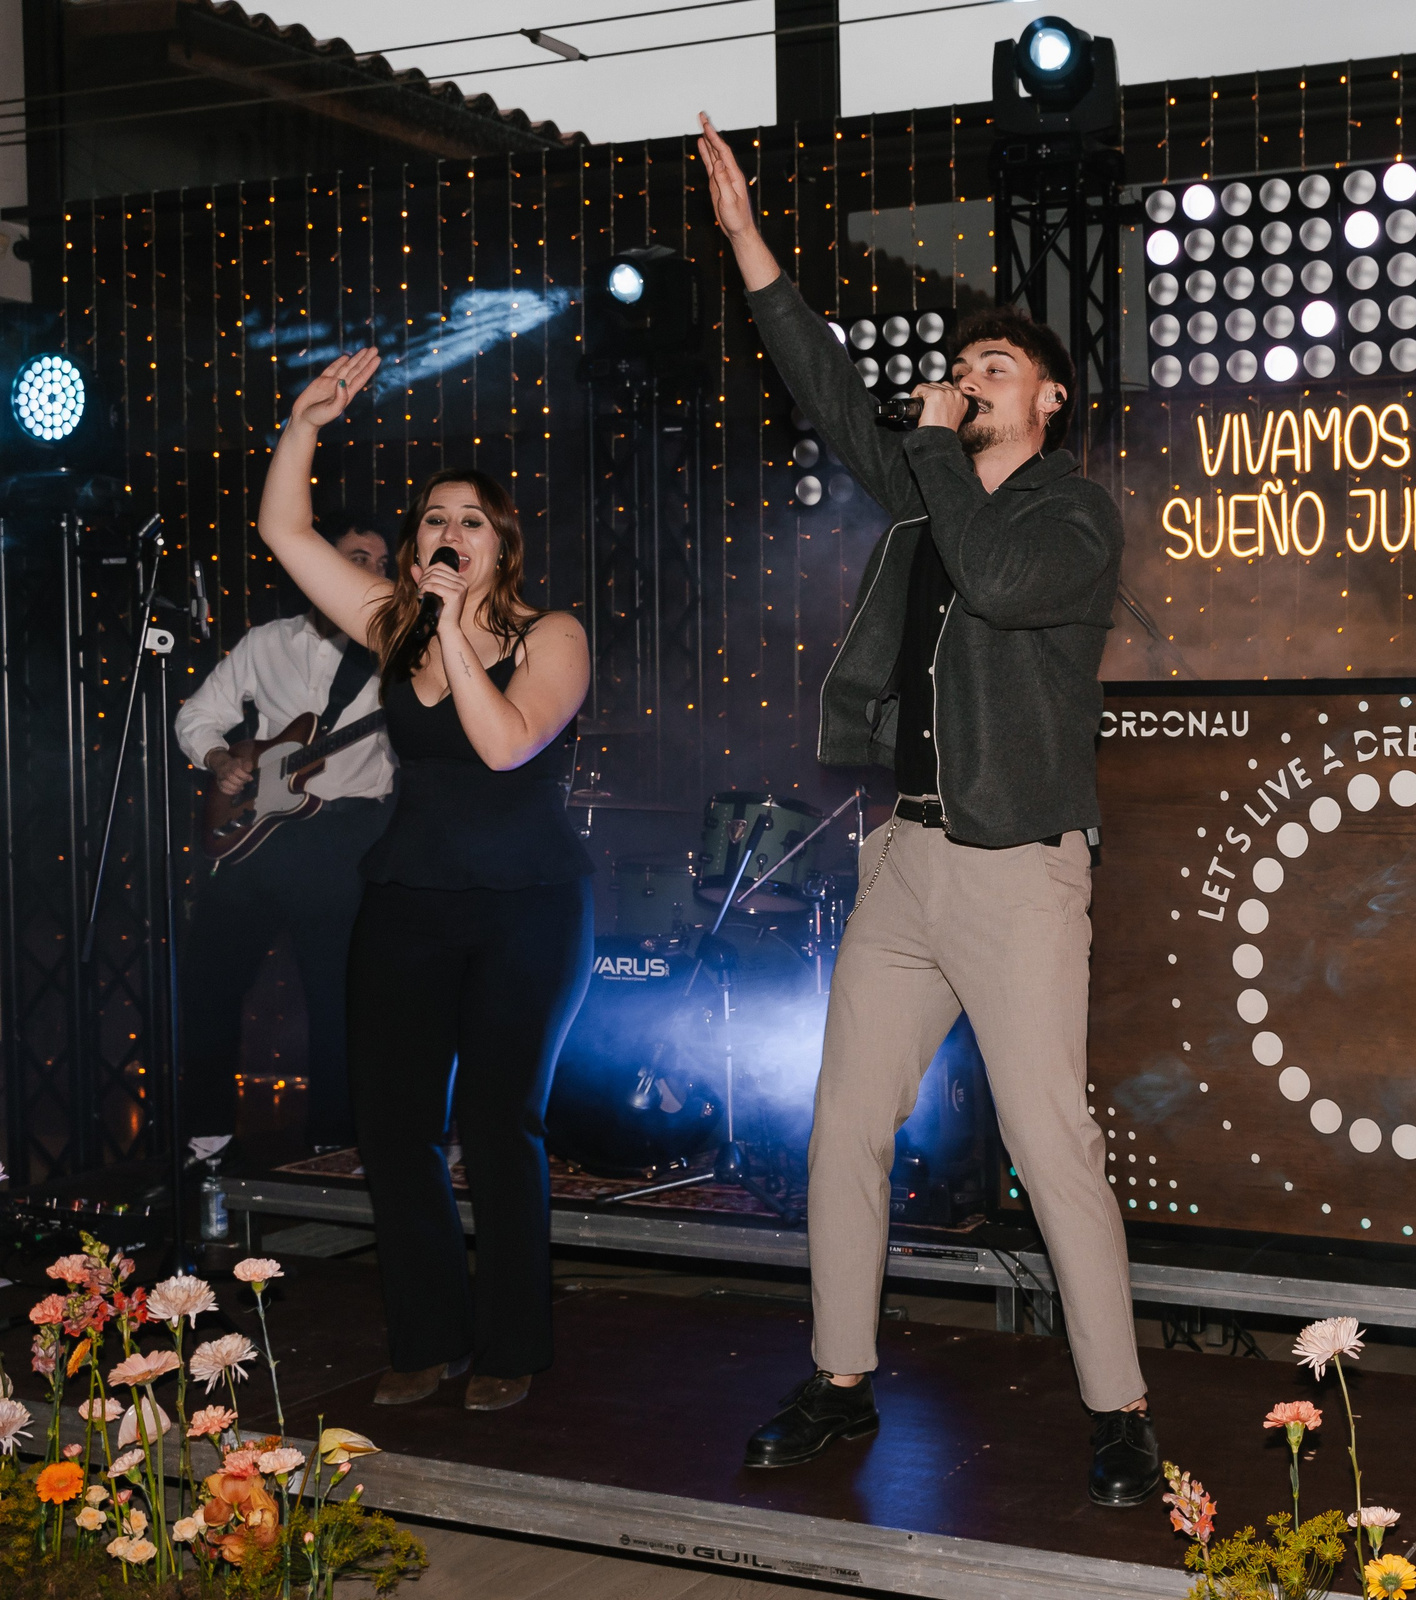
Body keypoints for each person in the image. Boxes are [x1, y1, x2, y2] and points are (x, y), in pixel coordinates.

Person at [696, 114, 1156, 1505]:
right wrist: (750, 247)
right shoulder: (925, 488)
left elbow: (1000, 583)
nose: (962, 381)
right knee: (845, 1121)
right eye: (958, 369)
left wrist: (942, 452)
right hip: (905, 856)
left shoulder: (1073, 517)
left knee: (1050, 1141)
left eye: (991, 368)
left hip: (1017, 870)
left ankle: (1120, 1409)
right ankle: (839, 1379)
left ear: (1051, 398)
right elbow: (831, 389)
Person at [257, 349, 594, 1414]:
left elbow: (503, 745)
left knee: (499, 1125)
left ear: (502, 544)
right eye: (435, 519)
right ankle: (425, 1335)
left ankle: (509, 1346)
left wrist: (452, 628)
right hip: (408, 899)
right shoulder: (393, 623)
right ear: (416, 547)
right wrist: (304, 426)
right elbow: (285, 532)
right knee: (394, 1127)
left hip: (527, 908)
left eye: (472, 520)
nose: (450, 530)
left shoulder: (552, 635)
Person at [176, 514, 396, 1155]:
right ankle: (205, 1140)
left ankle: (333, 1148)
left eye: (383, 565)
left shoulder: (402, 650)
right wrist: (222, 759)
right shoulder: (267, 641)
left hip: (347, 836)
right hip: (259, 835)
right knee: (209, 981)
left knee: (336, 998)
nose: (374, 573)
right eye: (358, 557)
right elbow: (198, 715)